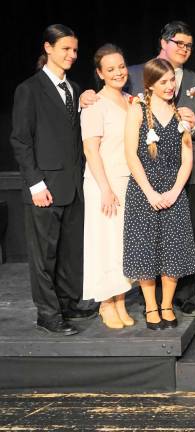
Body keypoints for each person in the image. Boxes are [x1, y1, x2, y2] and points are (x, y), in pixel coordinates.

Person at [81, 21, 195, 316]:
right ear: (164, 42)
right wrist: (85, 96)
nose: (185, 49)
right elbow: (108, 95)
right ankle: (137, 302)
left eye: (189, 45)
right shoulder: (131, 74)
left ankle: (182, 297)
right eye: (179, 43)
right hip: (135, 172)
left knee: (184, 233)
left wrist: (194, 124)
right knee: (135, 239)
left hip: (180, 170)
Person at [10, 24, 95, 336]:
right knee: (44, 256)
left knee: (69, 253)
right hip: (44, 187)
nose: (72, 55)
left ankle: (67, 302)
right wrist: (35, 183)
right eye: (65, 49)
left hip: (72, 186)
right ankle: (48, 314)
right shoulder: (29, 90)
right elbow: (21, 140)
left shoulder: (73, 89)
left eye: (74, 50)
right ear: (48, 48)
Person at [123, 58, 195, 330]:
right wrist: (150, 193)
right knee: (145, 250)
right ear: (151, 85)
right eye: (163, 81)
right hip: (144, 190)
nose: (169, 86)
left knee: (173, 251)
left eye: (171, 80)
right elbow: (131, 154)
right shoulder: (138, 110)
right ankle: (151, 306)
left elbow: (187, 157)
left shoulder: (181, 114)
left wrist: (175, 191)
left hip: (173, 190)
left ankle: (167, 304)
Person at [81, 44, 133, 329]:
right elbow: (91, 149)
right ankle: (106, 303)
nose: (118, 73)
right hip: (104, 182)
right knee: (105, 244)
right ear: (100, 73)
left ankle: (121, 300)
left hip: (128, 182)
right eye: (110, 69)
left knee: (123, 246)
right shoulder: (94, 104)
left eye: (121, 67)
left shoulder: (132, 101)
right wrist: (105, 188)